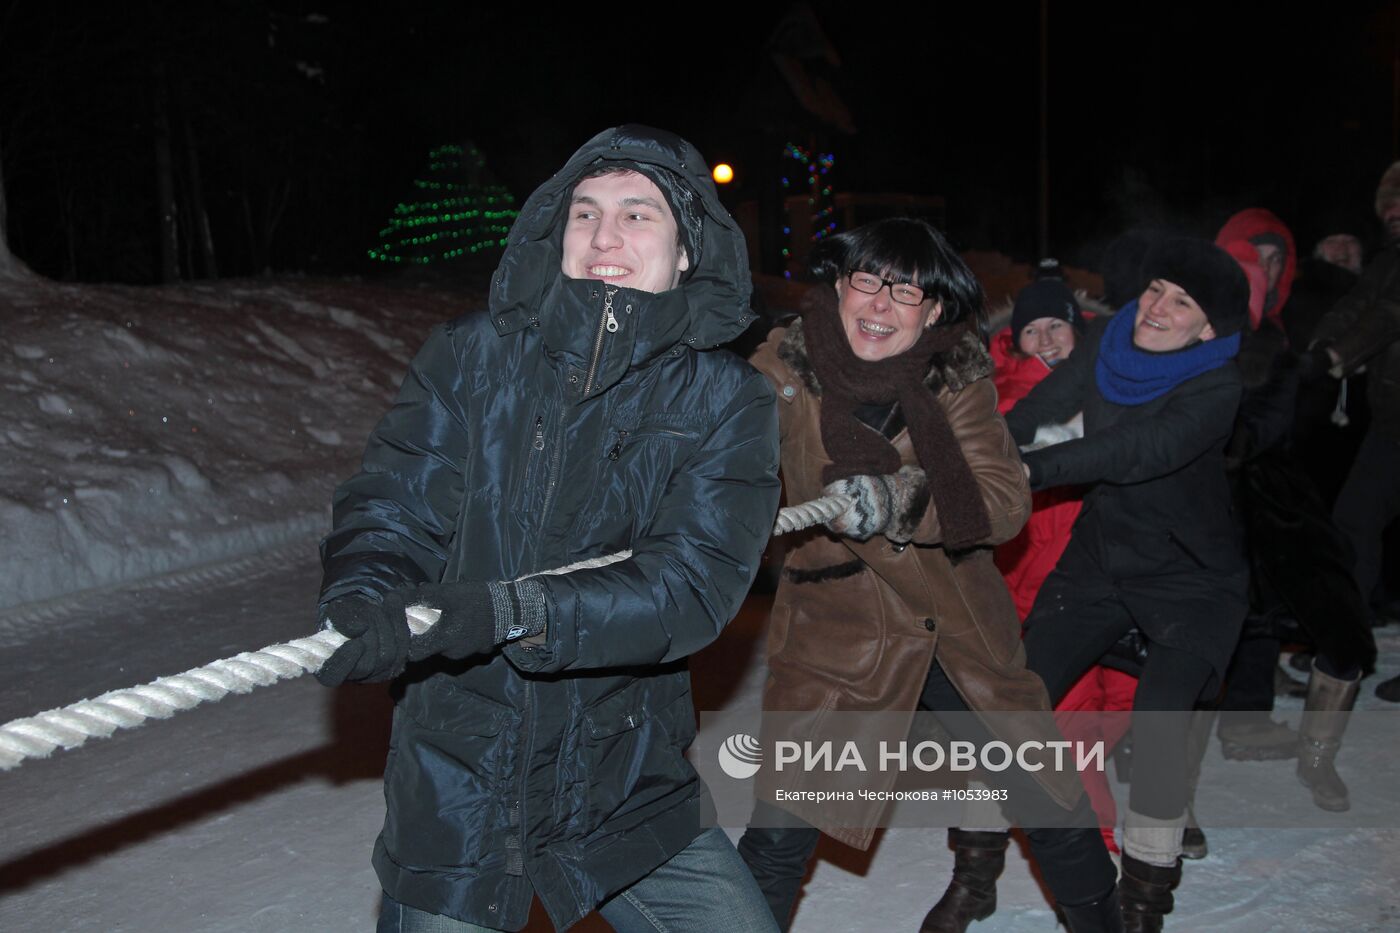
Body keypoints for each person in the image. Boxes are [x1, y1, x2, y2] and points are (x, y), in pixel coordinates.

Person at [314, 125, 783, 933]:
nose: (605, 236)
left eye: (639, 216)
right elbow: (396, 499)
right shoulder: (469, 356)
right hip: (460, 775)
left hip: (625, 777)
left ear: (685, 255)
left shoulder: (729, 400)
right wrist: (368, 587)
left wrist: (516, 609)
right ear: (553, 232)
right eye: (584, 213)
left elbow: (691, 584)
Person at [735, 218, 1121, 933]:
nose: (881, 305)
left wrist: (895, 498)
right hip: (837, 632)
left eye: (906, 291)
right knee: (780, 827)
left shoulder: (956, 374)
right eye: (867, 280)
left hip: (953, 623)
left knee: (1050, 800)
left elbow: (1002, 501)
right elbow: (717, 460)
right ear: (839, 285)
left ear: (934, 310)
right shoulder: (781, 369)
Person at [1007, 237, 1249, 933]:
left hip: (1190, 576)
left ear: (1208, 328)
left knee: (1162, 717)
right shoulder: (1112, 340)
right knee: (1013, 701)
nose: (1156, 308)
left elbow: (1137, 452)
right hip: (1103, 560)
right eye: (1156, 289)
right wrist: (993, 445)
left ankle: (1143, 905)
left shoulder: (1216, 386)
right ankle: (973, 875)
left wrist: (1035, 468)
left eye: (1181, 303)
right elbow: (1049, 397)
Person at [990, 277, 1138, 860]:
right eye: (1032, 329)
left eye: (1057, 325)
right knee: (1072, 719)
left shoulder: (1116, 390)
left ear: (1079, 330)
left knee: (1123, 703)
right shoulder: (1001, 404)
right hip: (1042, 587)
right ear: (1015, 340)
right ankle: (1095, 846)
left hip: (1120, 578)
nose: (1047, 339)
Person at [1306, 161, 1400, 704]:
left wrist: (1339, 357)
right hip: (1391, 424)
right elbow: (1357, 305)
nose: (1392, 213)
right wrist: (1315, 354)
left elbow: (1389, 313)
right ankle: (1345, 647)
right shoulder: (1387, 261)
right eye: (1387, 205)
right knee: (1352, 524)